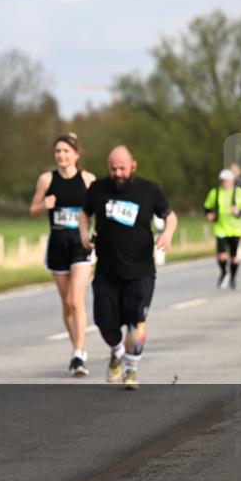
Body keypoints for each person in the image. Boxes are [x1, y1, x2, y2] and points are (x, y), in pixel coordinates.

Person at [80, 146, 176, 390]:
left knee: (137, 322)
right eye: (113, 168)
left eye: (122, 168)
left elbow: (170, 216)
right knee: (105, 324)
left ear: (133, 165)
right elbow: (84, 213)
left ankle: (131, 370)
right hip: (107, 270)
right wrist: (83, 233)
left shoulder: (149, 190)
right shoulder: (98, 189)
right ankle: (117, 351)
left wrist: (167, 234)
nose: (117, 173)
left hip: (140, 270)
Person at [29, 133, 97, 376]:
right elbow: (33, 210)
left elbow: (97, 209)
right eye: (58, 151)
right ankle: (76, 347)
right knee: (66, 304)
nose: (61, 155)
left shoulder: (88, 180)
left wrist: (96, 231)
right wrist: (43, 206)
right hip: (57, 243)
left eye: (66, 151)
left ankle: (78, 354)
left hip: (80, 243)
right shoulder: (47, 179)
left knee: (75, 300)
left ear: (76, 154)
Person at [203, 168, 241, 290]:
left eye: (227, 181)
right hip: (220, 228)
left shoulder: (239, 193)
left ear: (232, 181)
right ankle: (224, 273)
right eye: (223, 181)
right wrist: (209, 215)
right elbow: (207, 207)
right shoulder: (215, 192)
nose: (225, 183)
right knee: (221, 256)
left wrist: (238, 212)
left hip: (235, 229)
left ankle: (233, 277)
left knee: (234, 257)